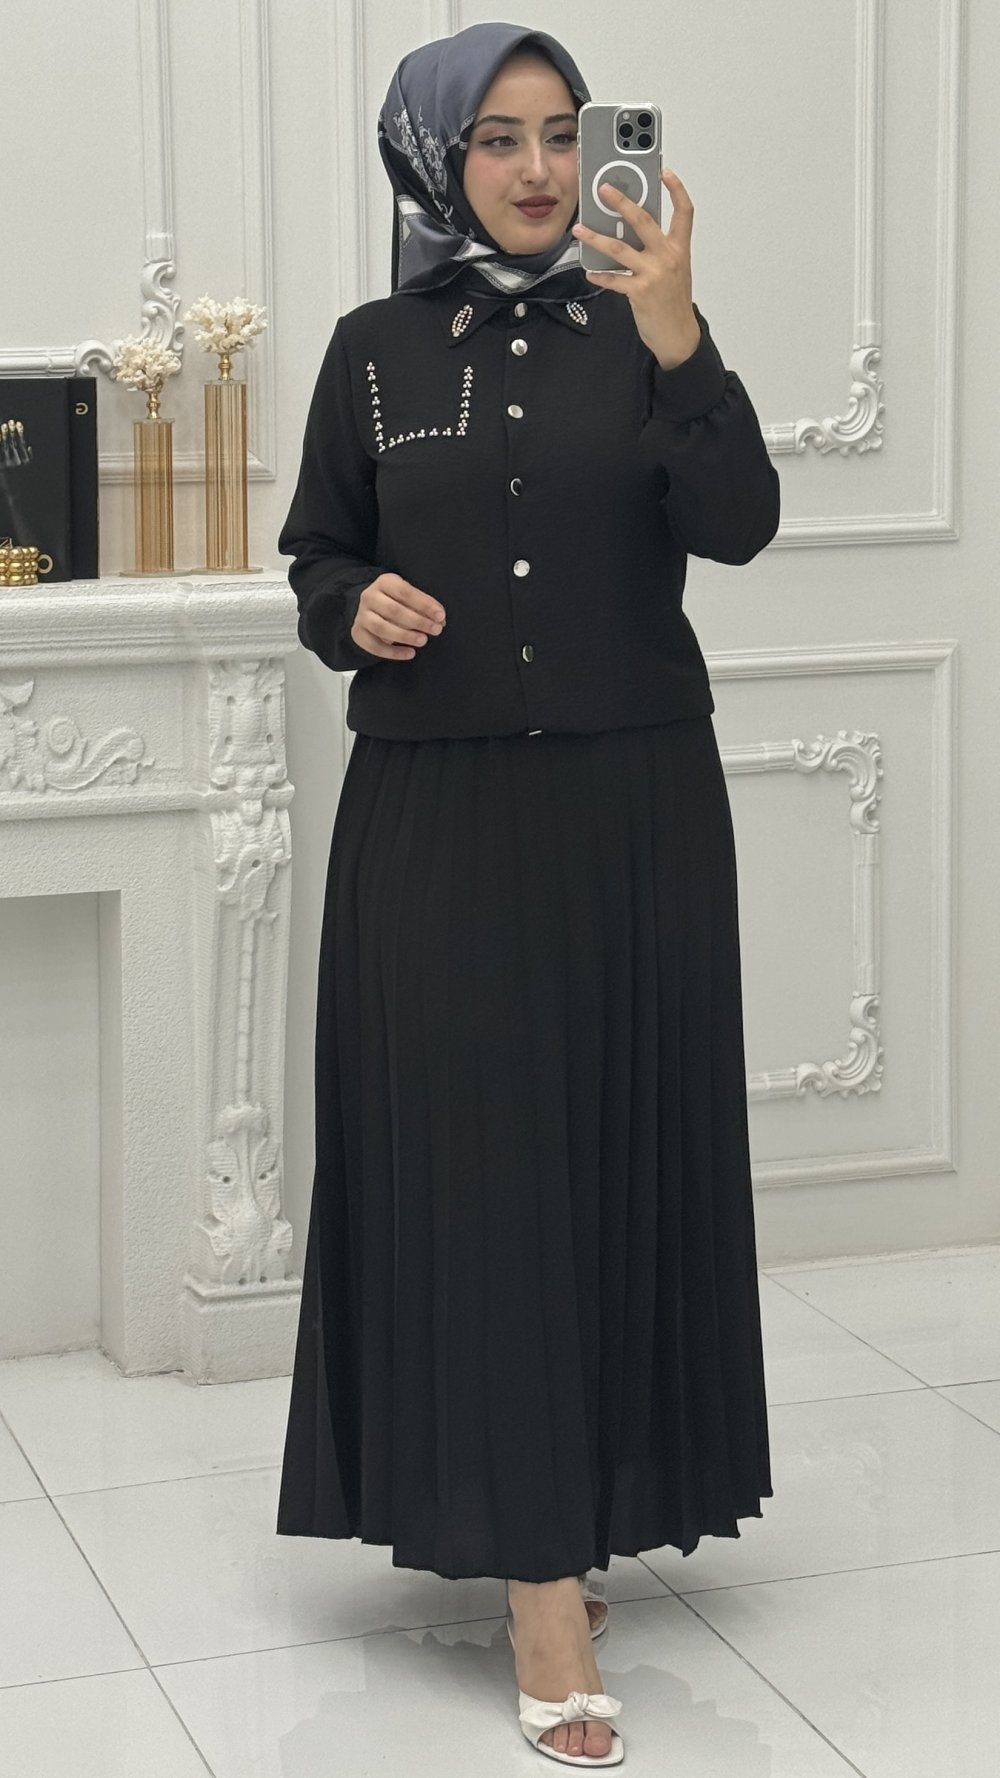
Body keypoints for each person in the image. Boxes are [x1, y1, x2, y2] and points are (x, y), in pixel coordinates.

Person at [275, 20, 779, 1767]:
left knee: (611, 1152)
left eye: (564, 132)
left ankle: (581, 1506)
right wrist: (352, 610)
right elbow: (319, 550)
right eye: (498, 137)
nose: (541, 168)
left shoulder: (649, 329)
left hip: (634, 814)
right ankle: (541, 1584)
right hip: (437, 815)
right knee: (479, 1167)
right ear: (438, 157)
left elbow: (740, 522)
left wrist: (680, 334)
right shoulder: (373, 349)